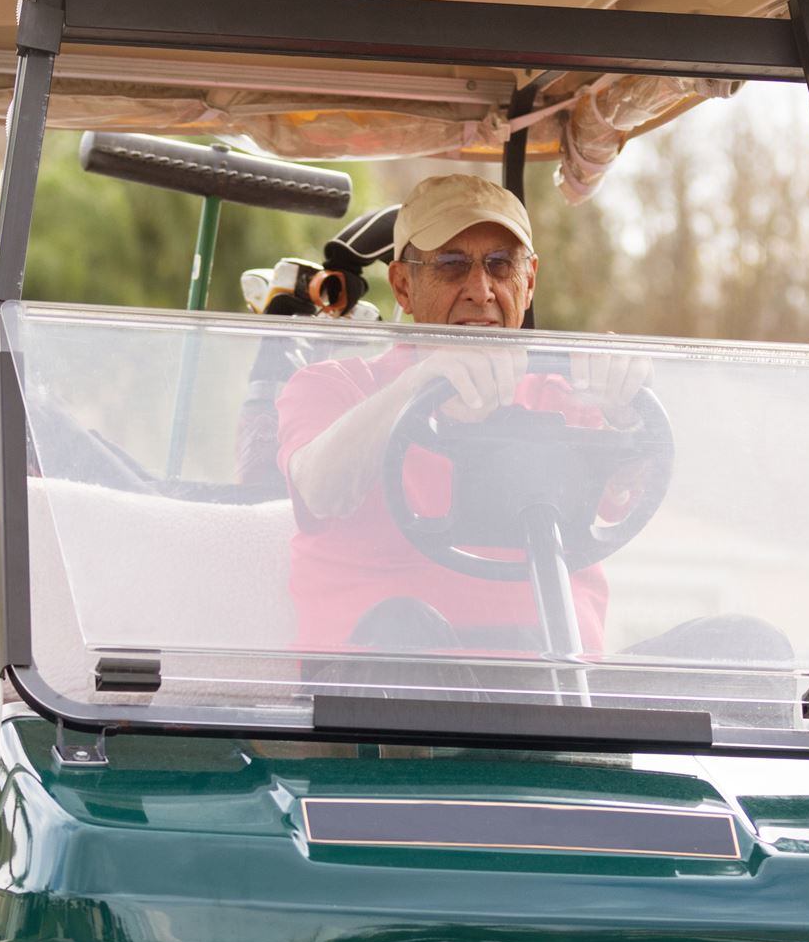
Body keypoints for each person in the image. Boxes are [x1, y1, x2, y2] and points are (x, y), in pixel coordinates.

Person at [274, 173, 650, 655]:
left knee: (747, 642)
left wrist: (628, 415)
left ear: (529, 281)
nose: (481, 289)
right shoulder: (333, 387)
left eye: (500, 264)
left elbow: (624, 495)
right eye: (451, 265)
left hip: (557, 693)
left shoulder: (567, 399)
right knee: (404, 631)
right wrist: (421, 381)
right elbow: (320, 489)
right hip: (379, 703)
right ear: (403, 286)